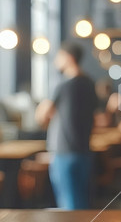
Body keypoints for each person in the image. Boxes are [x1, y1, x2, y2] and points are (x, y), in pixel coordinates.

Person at [35, 42, 98, 209]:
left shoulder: (62, 85)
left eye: (59, 56)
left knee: (68, 206)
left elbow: (41, 116)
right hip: (84, 150)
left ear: (69, 58)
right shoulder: (90, 84)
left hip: (63, 152)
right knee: (81, 202)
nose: (56, 60)